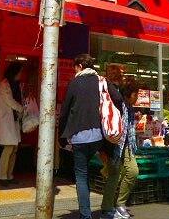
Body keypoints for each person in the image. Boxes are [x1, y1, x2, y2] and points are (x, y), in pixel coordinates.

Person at [59, 53, 122, 219]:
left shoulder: (74, 83)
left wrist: (61, 136)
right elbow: (119, 98)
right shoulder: (102, 81)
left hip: (79, 137)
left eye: (75, 68)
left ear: (79, 66)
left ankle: (85, 215)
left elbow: (65, 111)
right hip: (100, 137)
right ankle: (108, 207)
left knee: (81, 175)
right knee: (109, 167)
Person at [100, 79, 140, 219]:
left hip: (127, 143)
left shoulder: (130, 108)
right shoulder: (117, 104)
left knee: (133, 171)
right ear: (129, 94)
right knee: (114, 176)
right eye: (136, 94)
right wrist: (103, 150)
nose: (137, 98)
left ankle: (120, 204)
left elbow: (129, 129)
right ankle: (107, 208)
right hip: (114, 145)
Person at [0, 62, 24, 186]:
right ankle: (2, 176)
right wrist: (21, 108)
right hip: (7, 120)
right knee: (9, 147)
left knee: (14, 148)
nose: (21, 74)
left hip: (14, 120)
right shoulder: (5, 84)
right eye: (20, 72)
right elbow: (10, 101)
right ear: (15, 72)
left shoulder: (16, 85)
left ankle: (9, 175)